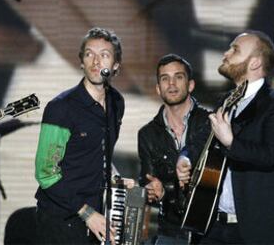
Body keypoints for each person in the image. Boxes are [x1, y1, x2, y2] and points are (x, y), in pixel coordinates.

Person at [177, 30, 274, 244]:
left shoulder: (270, 104)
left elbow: (270, 155)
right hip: (210, 224)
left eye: (235, 49)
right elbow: (200, 140)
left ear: (255, 62)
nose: (226, 53)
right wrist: (185, 158)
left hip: (250, 231)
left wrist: (231, 142)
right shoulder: (227, 100)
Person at [34, 27, 126, 244]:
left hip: (95, 217)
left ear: (115, 66)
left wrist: (117, 179)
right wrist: (87, 213)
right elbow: (45, 173)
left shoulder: (116, 102)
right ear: (81, 62)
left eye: (104, 55)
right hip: (60, 219)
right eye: (89, 54)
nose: (96, 61)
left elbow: (100, 153)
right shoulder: (61, 107)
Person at [138, 54, 209, 245]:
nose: (171, 83)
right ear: (158, 89)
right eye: (165, 78)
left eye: (178, 77)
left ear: (191, 84)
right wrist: (156, 193)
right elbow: (147, 182)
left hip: (211, 229)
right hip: (171, 229)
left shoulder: (210, 124)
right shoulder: (147, 134)